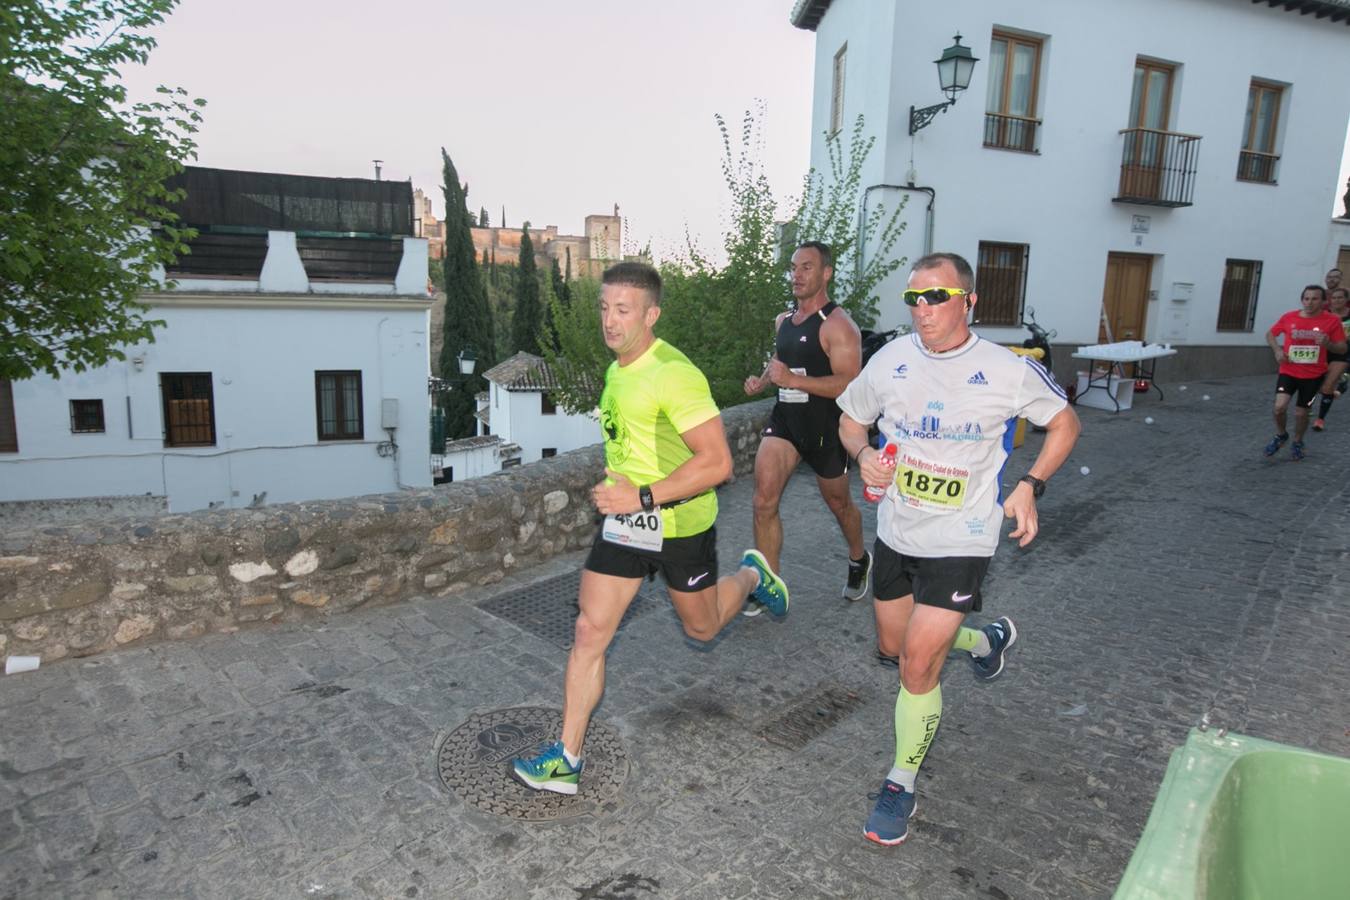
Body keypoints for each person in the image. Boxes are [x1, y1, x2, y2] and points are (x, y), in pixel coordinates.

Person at [512, 262, 789, 795]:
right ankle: (567, 759)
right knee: (589, 632)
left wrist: (639, 494)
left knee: (702, 628)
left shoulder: (673, 373)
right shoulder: (619, 369)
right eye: (604, 308)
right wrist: (624, 493)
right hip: (625, 524)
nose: (609, 321)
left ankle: (753, 576)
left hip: (681, 525)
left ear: (651, 314)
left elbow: (718, 464)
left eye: (623, 310)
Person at [836, 252, 1081, 846]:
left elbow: (1065, 422)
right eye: (913, 299)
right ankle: (984, 638)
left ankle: (900, 782)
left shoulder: (1005, 369)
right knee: (894, 648)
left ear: (968, 302)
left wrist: (1029, 486)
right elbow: (849, 418)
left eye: (937, 296)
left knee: (918, 668)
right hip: (897, 532)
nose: (923, 309)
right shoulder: (891, 359)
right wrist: (864, 455)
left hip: (964, 537)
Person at [742, 241, 869, 611]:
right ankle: (769, 585)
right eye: (794, 268)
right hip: (787, 422)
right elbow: (782, 360)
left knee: (839, 504)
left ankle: (859, 558)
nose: (796, 275)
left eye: (807, 268)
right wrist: (764, 381)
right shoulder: (783, 321)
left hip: (826, 428)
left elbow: (849, 384)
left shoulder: (840, 326)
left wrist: (793, 382)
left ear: (826, 273)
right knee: (763, 500)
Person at [1264, 285, 1347, 459]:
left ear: (1323, 301)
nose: (1309, 302)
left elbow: (1342, 348)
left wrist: (1328, 345)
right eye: (1306, 299)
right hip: (1288, 370)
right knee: (1279, 408)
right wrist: (1278, 350)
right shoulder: (1289, 317)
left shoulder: (1331, 321)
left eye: (1314, 299)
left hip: (1313, 375)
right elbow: (1271, 334)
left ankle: (1297, 441)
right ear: (1302, 300)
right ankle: (1281, 435)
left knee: (1301, 413)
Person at [1313, 285, 1350, 431]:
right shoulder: (1323, 314)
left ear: (1346, 299)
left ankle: (1320, 419)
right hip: (1323, 351)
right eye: (1334, 298)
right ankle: (1308, 404)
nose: (1337, 300)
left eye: (1340, 297)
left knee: (1328, 386)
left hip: (1343, 352)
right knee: (1316, 384)